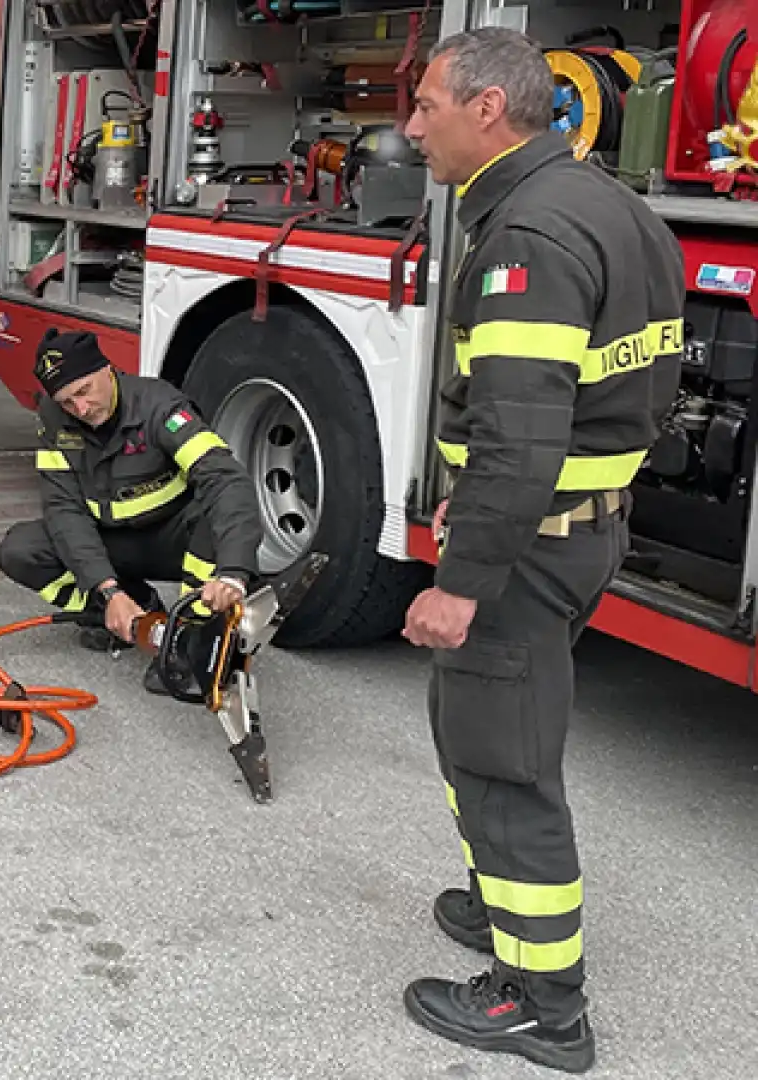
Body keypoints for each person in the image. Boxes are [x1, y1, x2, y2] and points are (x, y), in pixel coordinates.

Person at [397, 28, 684, 1074]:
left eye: (427, 105)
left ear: (487, 110)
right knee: (476, 727)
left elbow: (519, 436)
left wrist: (460, 584)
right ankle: (501, 910)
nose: (410, 126)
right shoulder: (611, 205)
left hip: (522, 550)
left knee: (501, 762)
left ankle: (541, 1006)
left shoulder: (529, 236)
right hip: (583, 533)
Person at [0, 330, 261, 689]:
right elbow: (64, 510)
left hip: (176, 542)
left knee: (211, 518)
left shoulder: (160, 407)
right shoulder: (55, 420)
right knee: (21, 550)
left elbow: (226, 480)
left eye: (84, 391)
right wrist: (108, 592)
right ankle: (128, 611)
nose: (81, 410)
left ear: (107, 369)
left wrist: (234, 572)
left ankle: (190, 639)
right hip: (113, 545)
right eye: (66, 402)